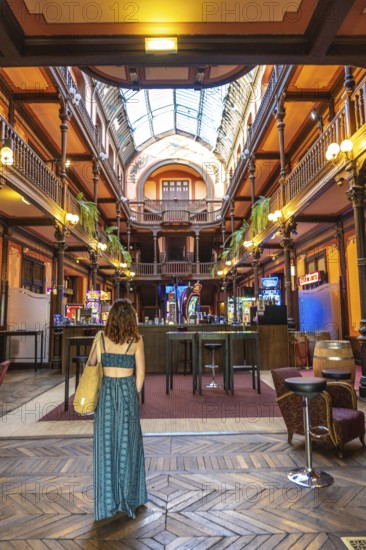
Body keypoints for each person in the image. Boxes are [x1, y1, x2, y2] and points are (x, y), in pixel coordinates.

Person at [87, 298, 147, 521]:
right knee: (128, 445)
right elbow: (140, 374)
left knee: (106, 446)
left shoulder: (100, 338)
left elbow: (91, 365)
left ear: (111, 317)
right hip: (126, 392)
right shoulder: (136, 340)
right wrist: (133, 393)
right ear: (132, 318)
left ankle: (107, 500)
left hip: (106, 393)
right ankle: (130, 497)